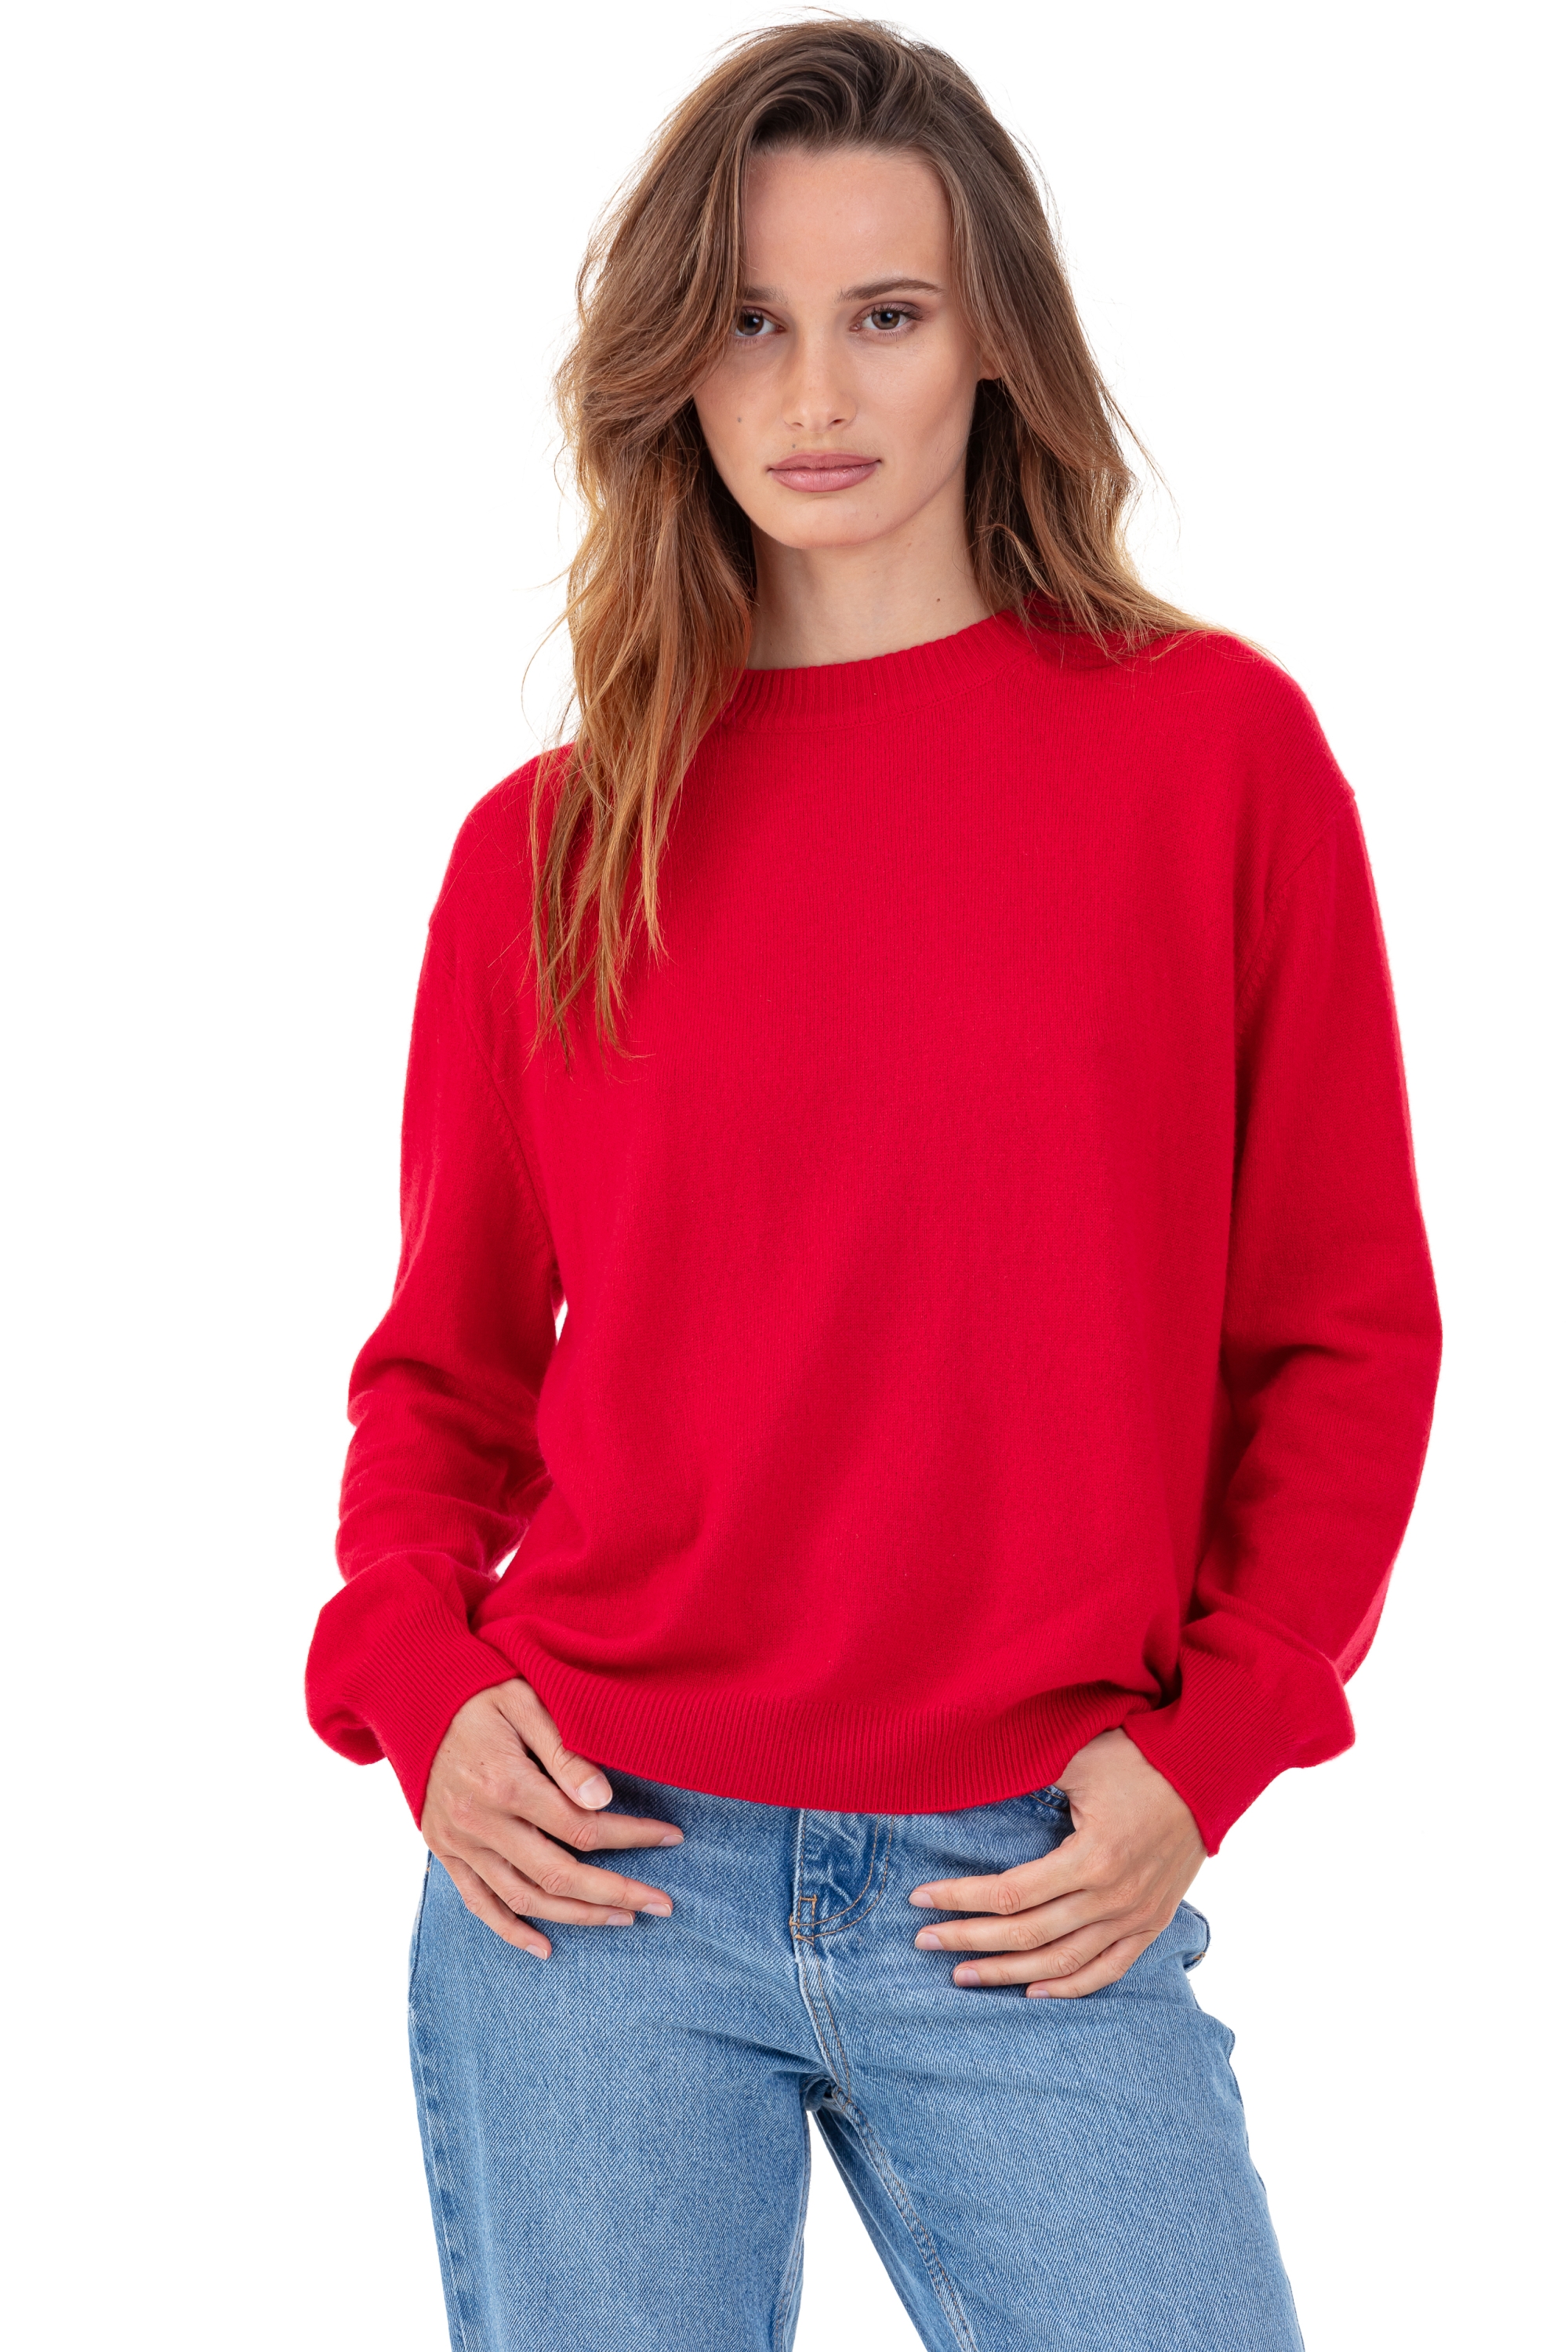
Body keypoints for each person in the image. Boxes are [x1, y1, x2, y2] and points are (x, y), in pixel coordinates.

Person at [305, 20, 1442, 2349]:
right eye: (749, 319)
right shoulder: (546, 853)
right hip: (598, 1874)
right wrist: (419, 1681)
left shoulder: (1212, 761)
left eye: (886, 314)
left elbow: (1344, 1331)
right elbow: (441, 1377)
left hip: (1033, 1878)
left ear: (993, 343)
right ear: (674, 368)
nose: (813, 391)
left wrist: (1215, 1746)